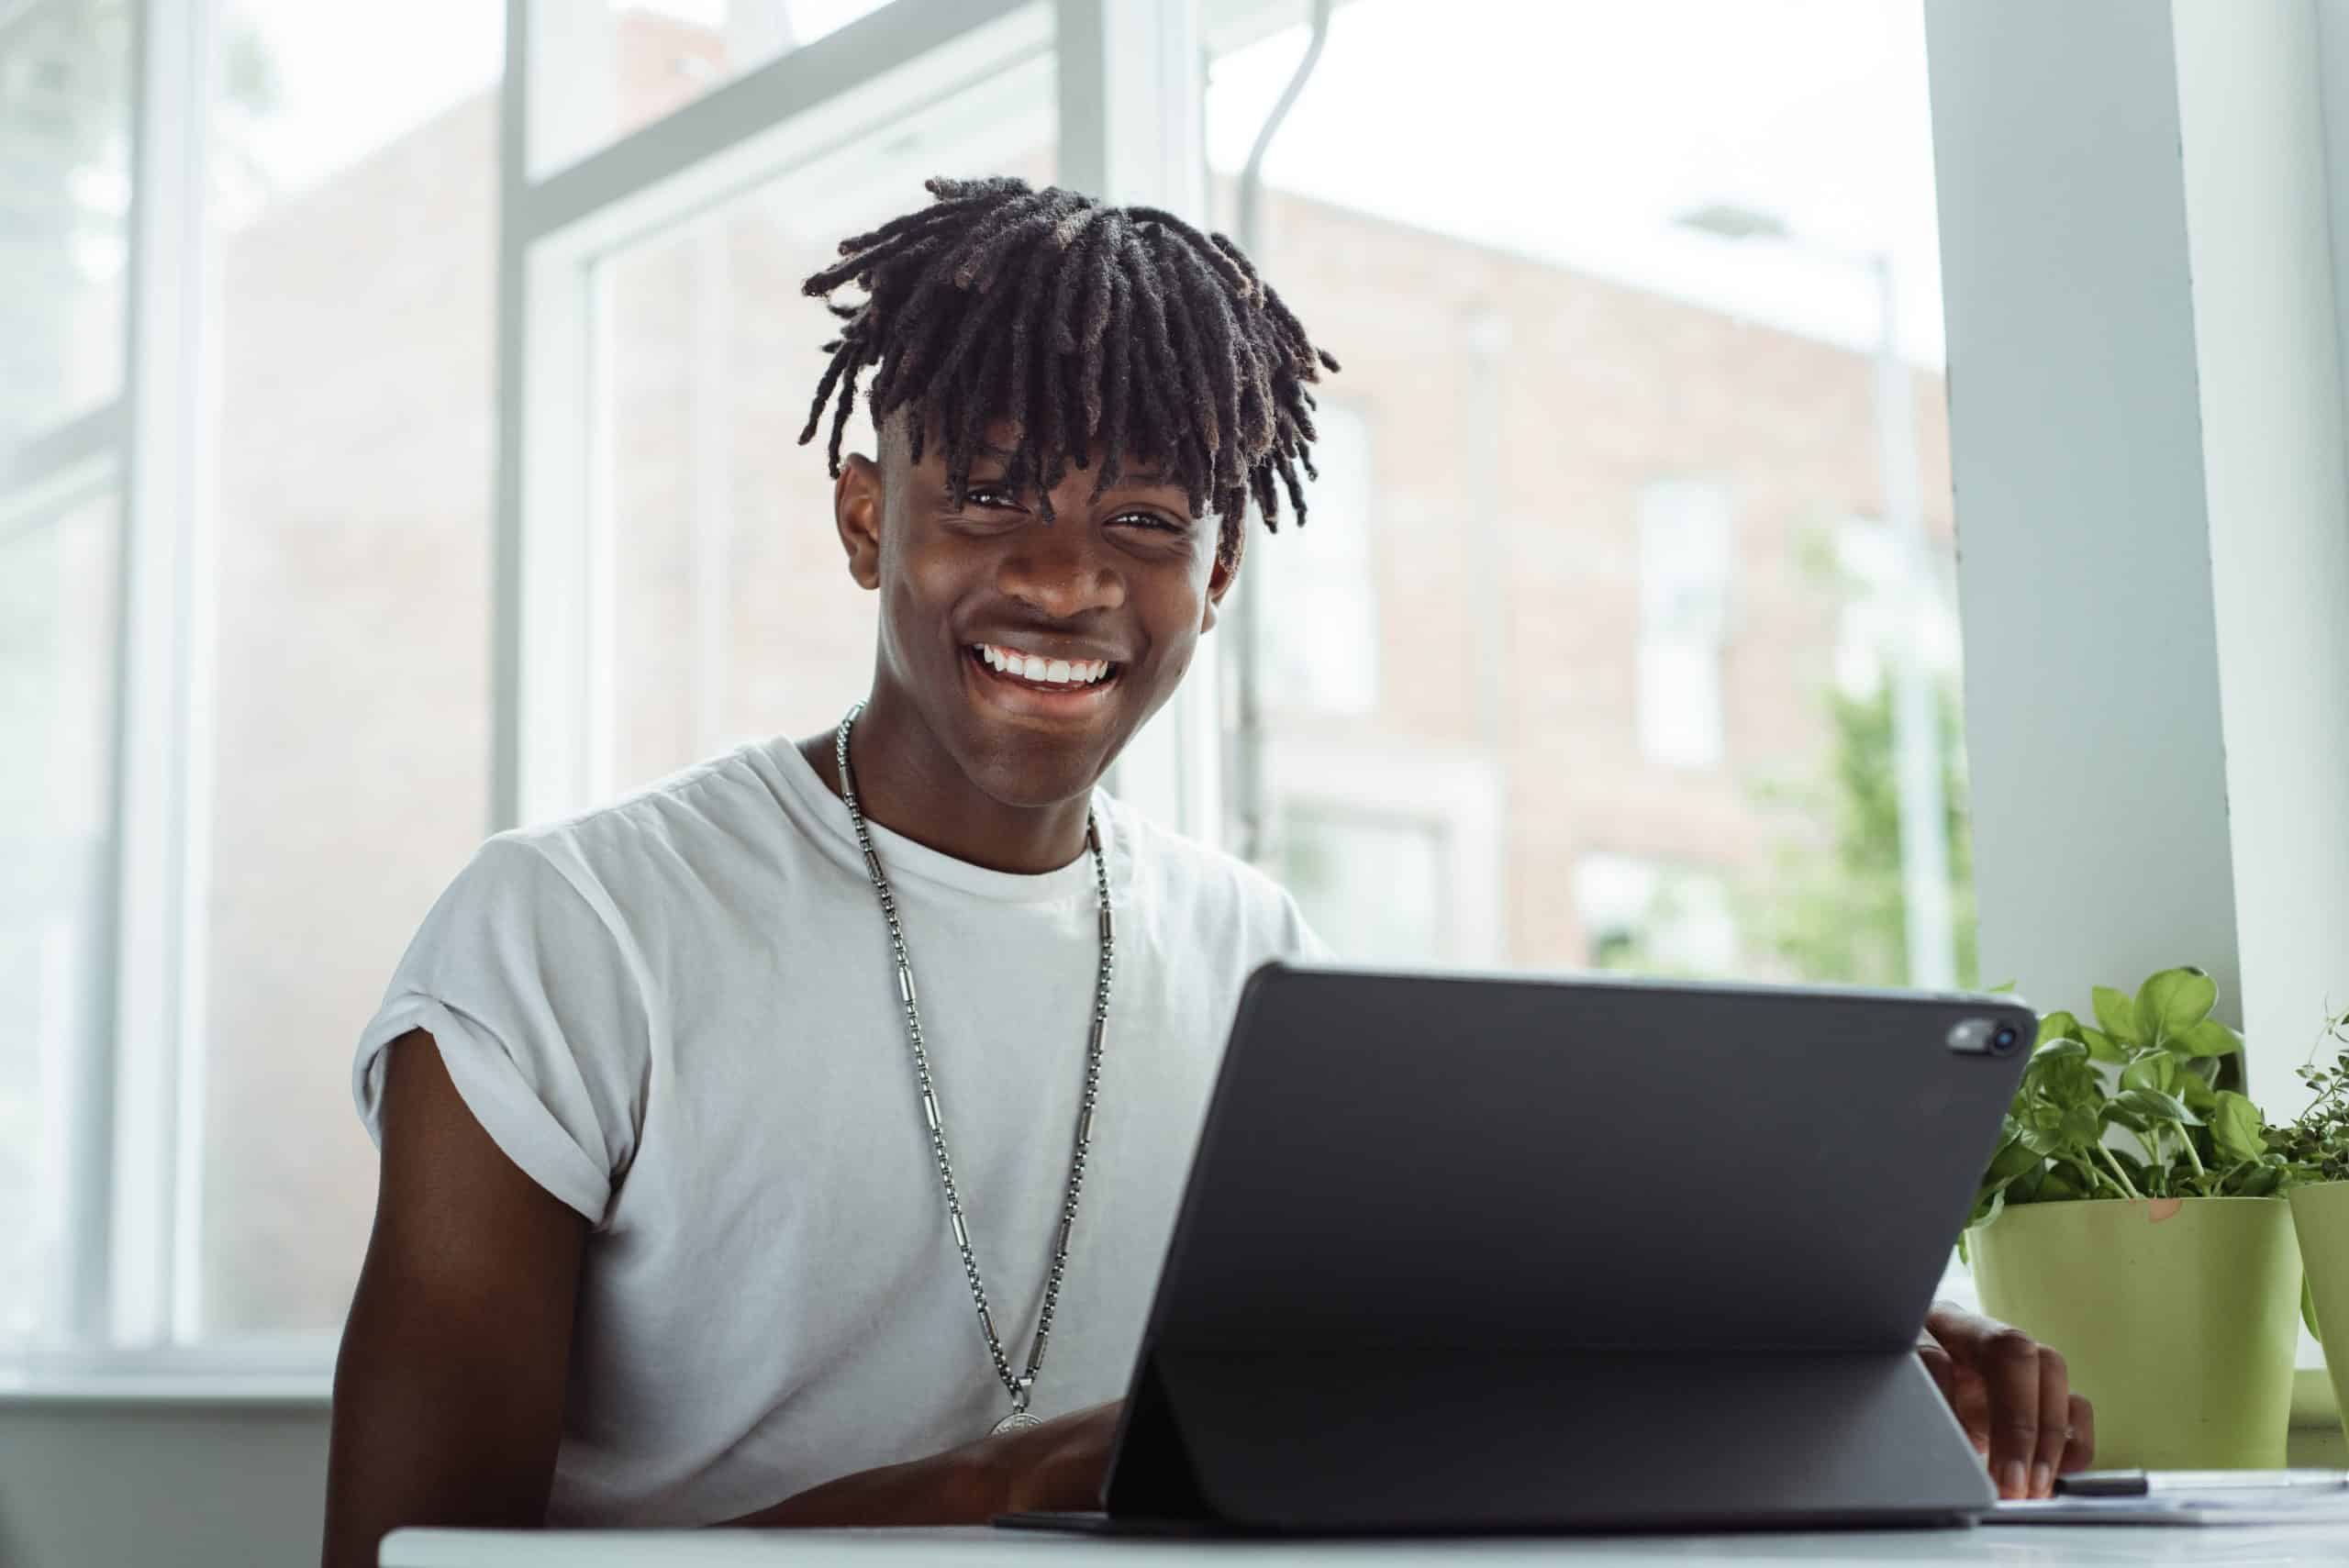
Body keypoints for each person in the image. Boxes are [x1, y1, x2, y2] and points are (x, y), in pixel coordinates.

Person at [319, 175, 2090, 1563]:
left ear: (1222, 574)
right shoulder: (568, 932)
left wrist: (1844, 1333)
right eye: (995, 497)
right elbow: (412, 1560)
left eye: (1148, 523)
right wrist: (1014, 1490)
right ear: (869, 517)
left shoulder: (1264, 960)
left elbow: (1489, 1302)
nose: (1069, 581)